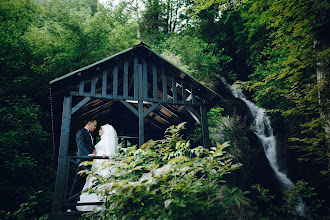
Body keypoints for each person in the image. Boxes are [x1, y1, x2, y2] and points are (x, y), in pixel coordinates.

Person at [76, 124, 118, 211]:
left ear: (105, 131)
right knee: (92, 182)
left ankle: (101, 204)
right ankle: (91, 204)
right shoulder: (102, 140)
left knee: (100, 182)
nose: (98, 130)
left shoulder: (107, 140)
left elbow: (110, 151)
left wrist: (106, 155)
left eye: (100, 129)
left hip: (102, 164)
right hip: (97, 164)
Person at [69, 119, 97, 209]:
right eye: (94, 125)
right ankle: (70, 204)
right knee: (78, 182)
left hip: (88, 161)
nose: (95, 127)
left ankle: (75, 203)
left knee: (83, 183)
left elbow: (89, 145)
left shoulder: (89, 134)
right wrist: (88, 155)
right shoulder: (81, 132)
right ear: (89, 123)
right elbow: (81, 145)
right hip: (83, 161)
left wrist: (93, 150)